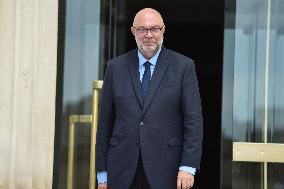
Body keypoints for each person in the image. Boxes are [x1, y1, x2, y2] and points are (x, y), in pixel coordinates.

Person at [95, 8, 203, 189]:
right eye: (143, 29)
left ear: (163, 30)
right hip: (121, 170)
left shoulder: (183, 67)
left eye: (154, 29)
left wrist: (188, 166)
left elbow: (193, 121)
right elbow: (104, 123)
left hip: (167, 169)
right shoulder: (115, 67)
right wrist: (102, 174)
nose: (149, 35)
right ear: (133, 32)